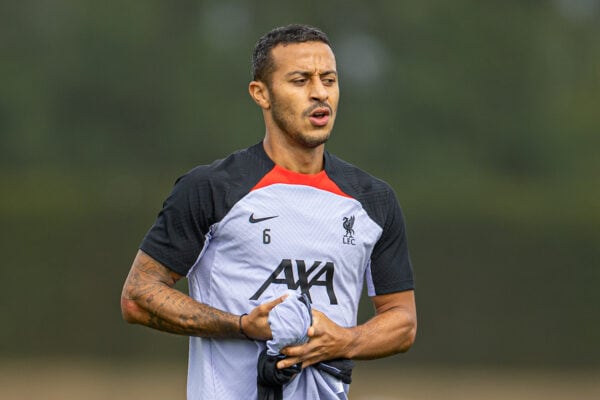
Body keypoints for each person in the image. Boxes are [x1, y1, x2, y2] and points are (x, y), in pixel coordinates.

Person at [121, 24, 417, 400]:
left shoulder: (374, 200)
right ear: (261, 93)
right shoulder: (212, 188)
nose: (319, 92)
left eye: (329, 79)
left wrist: (344, 340)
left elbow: (402, 321)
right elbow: (138, 295)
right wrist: (242, 325)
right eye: (300, 80)